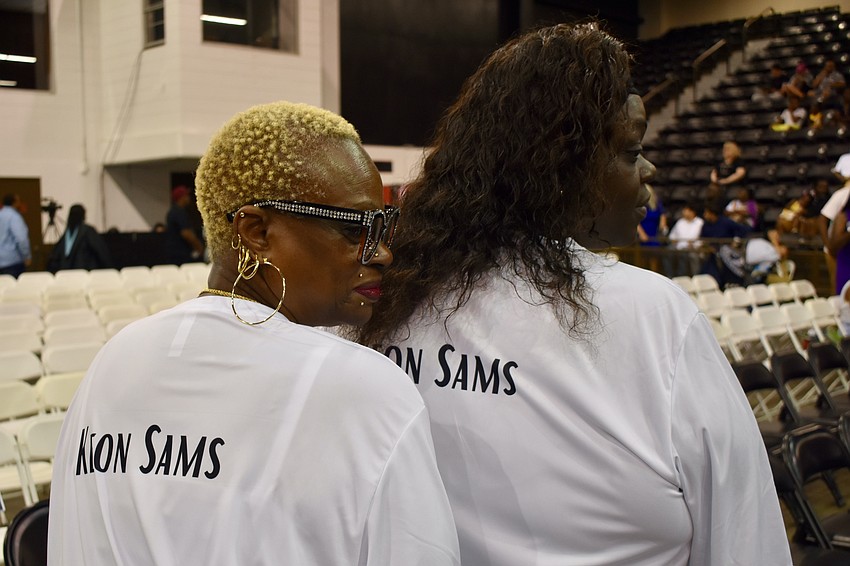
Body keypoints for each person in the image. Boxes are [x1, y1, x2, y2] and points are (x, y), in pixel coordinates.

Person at [351, 22, 791, 565]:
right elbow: (746, 540)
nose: (648, 167)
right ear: (564, 168)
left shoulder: (387, 295)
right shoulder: (653, 315)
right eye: (631, 151)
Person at [48, 101, 461, 565]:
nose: (382, 252)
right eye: (357, 229)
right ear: (256, 230)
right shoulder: (363, 387)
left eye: (385, 226)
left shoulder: (113, 362)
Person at [45, 204, 112, 272]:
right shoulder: (88, 231)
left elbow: (54, 258)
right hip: (84, 274)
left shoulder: (66, 235)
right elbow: (101, 252)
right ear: (83, 216)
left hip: (66, 275)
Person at [165, 185, 205, 265]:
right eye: (186, 195)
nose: (188, 198)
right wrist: (199, 247)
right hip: (181, 255)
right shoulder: (179, 212)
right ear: (181, 197)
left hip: (174, 253)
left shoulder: (172, 211)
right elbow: (186, 233)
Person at [666, 202, 703, 277]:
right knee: (667, 251)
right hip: (678, 246)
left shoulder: (700, 222)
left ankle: (692, 277)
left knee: (687, 255)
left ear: (692, 212)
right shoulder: (680, 222)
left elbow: (701, 238)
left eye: (686, 210)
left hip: (692, 248)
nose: (683, 212)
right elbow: (672, 236)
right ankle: (670, 276)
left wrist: (693, 244)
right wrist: (673, 240)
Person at [636, 183, 667, 273]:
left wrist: (662, 225)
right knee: (643, 260)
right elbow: (636, 221)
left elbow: (662, 214)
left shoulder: (656, 203)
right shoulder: (639, 204)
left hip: (654, 233)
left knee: (654, 259)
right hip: (643, 234)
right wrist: (642, 234)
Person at [0, 193, 31, 278]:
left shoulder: (1, 214)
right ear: (15, 202)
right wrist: (26, 256)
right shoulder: (14, 217)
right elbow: (21, 239)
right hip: (12, 261)